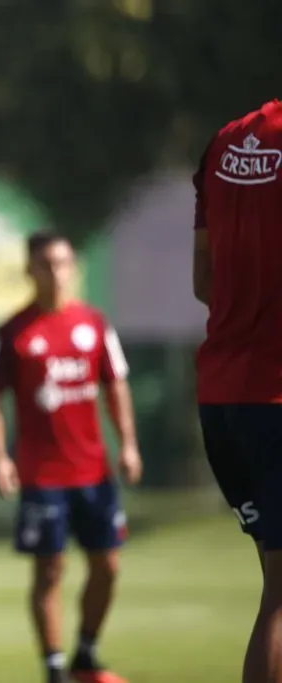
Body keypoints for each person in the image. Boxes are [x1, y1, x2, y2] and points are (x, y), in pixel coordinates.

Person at [0, 231, 142, 683]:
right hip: (42, 474)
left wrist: (127, 442)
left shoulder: (94, 324)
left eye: (64, 262)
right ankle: (53, 666)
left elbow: (117, 384)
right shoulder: (13, 332)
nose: (56, 272)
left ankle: (85, 652)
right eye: (46, 263)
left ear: (73, 267)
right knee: (50, 568)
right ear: (29, 269)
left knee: (108, 565)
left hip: (94, 471)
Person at [192, 99, 282, 683]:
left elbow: (205, 283)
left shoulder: (226, 139)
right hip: (276, 397)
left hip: (223, 397)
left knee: (275, 589)